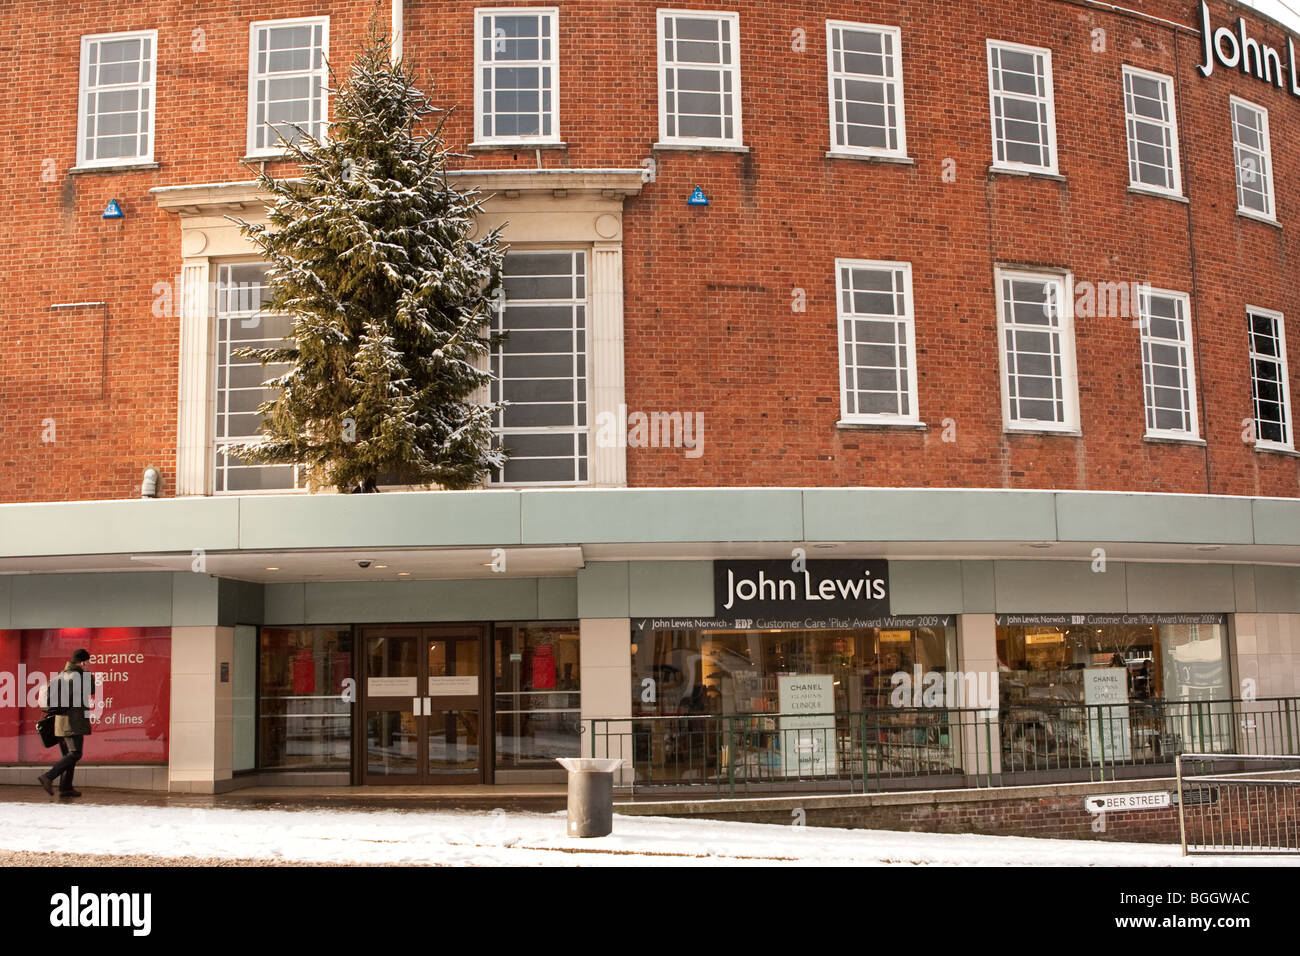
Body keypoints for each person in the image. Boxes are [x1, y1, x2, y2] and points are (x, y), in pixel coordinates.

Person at [36, 649, 95, 798]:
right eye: (88, 662)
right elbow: (91, 689)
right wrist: (87, 672)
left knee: (69, 757)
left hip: (62, 723)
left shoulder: (64, 674)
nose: (89, 665)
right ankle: (48, 777)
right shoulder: (77, 676)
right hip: (72, 724)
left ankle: (66, 787)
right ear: (83, 662)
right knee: (75, 753)